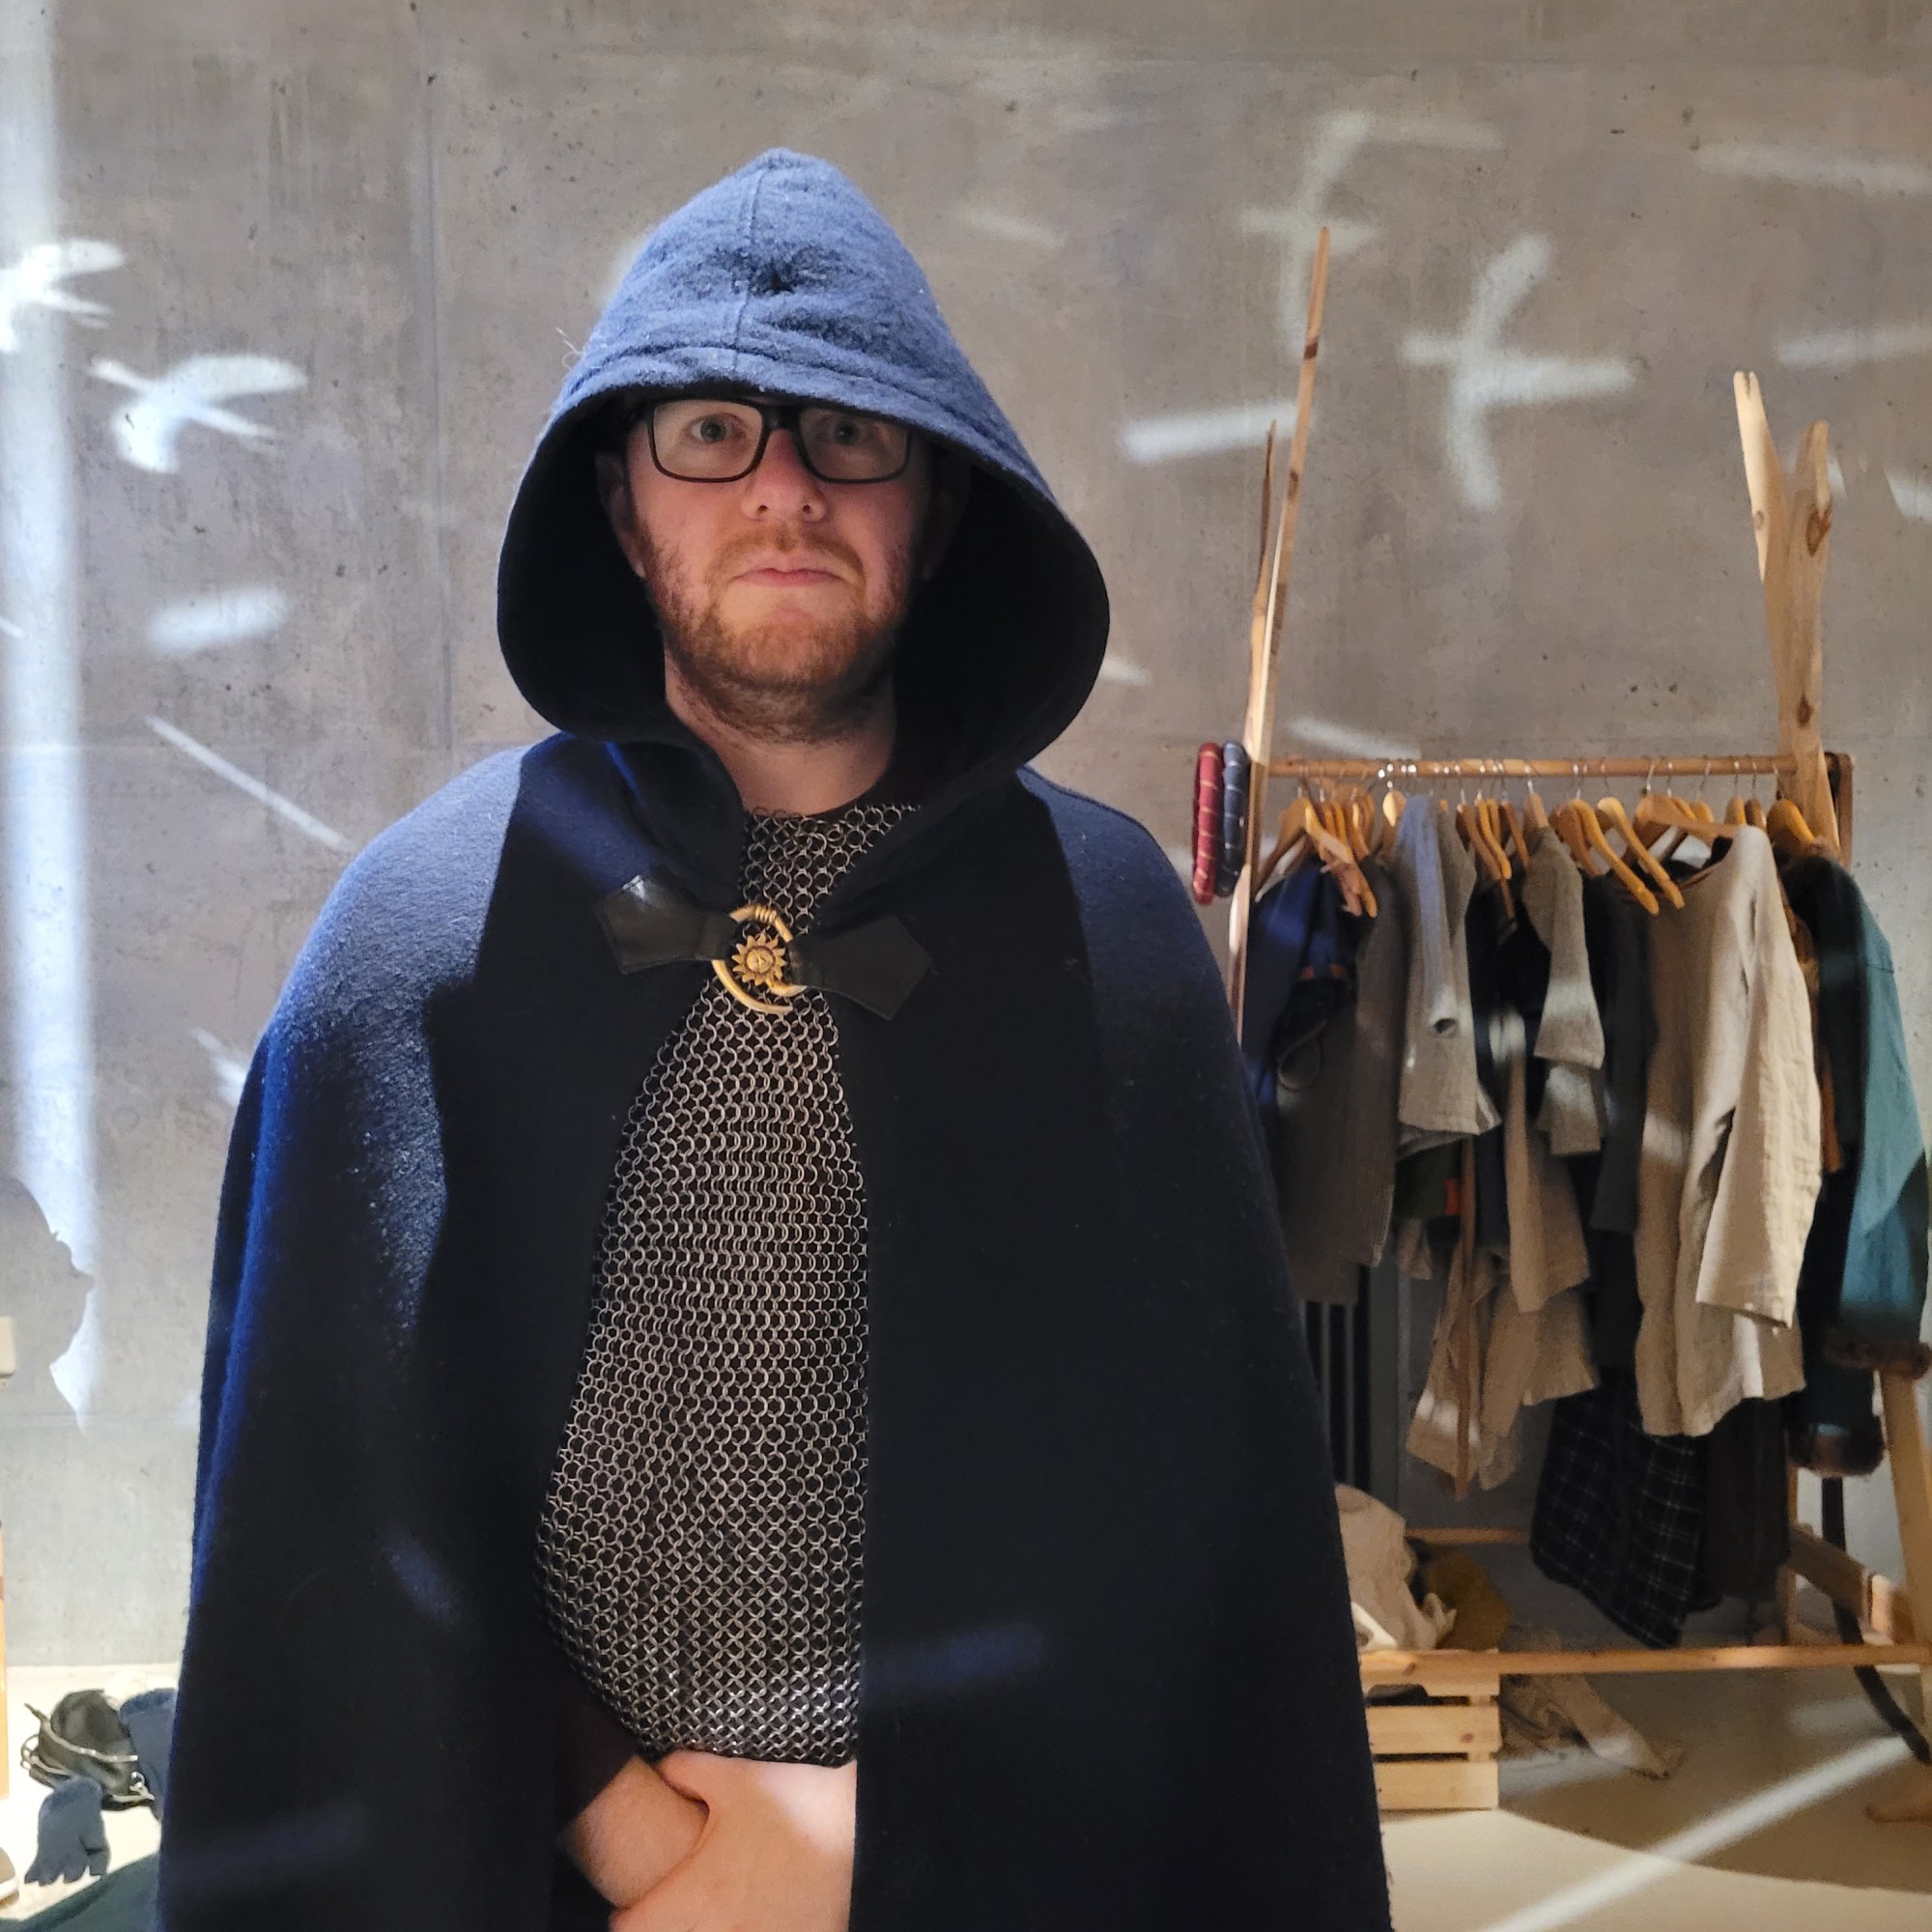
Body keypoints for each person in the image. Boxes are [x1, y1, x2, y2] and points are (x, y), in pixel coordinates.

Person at [157, 148, 1389, 1931]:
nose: (785, 490)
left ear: (936, 504)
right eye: (712, 432)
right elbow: (333, 1520)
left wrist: (872, 1848)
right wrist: (638, 1837)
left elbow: (1189, 1547)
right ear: (620, 496)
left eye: (851, 436)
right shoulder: (417, 941)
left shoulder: (1105, 934)